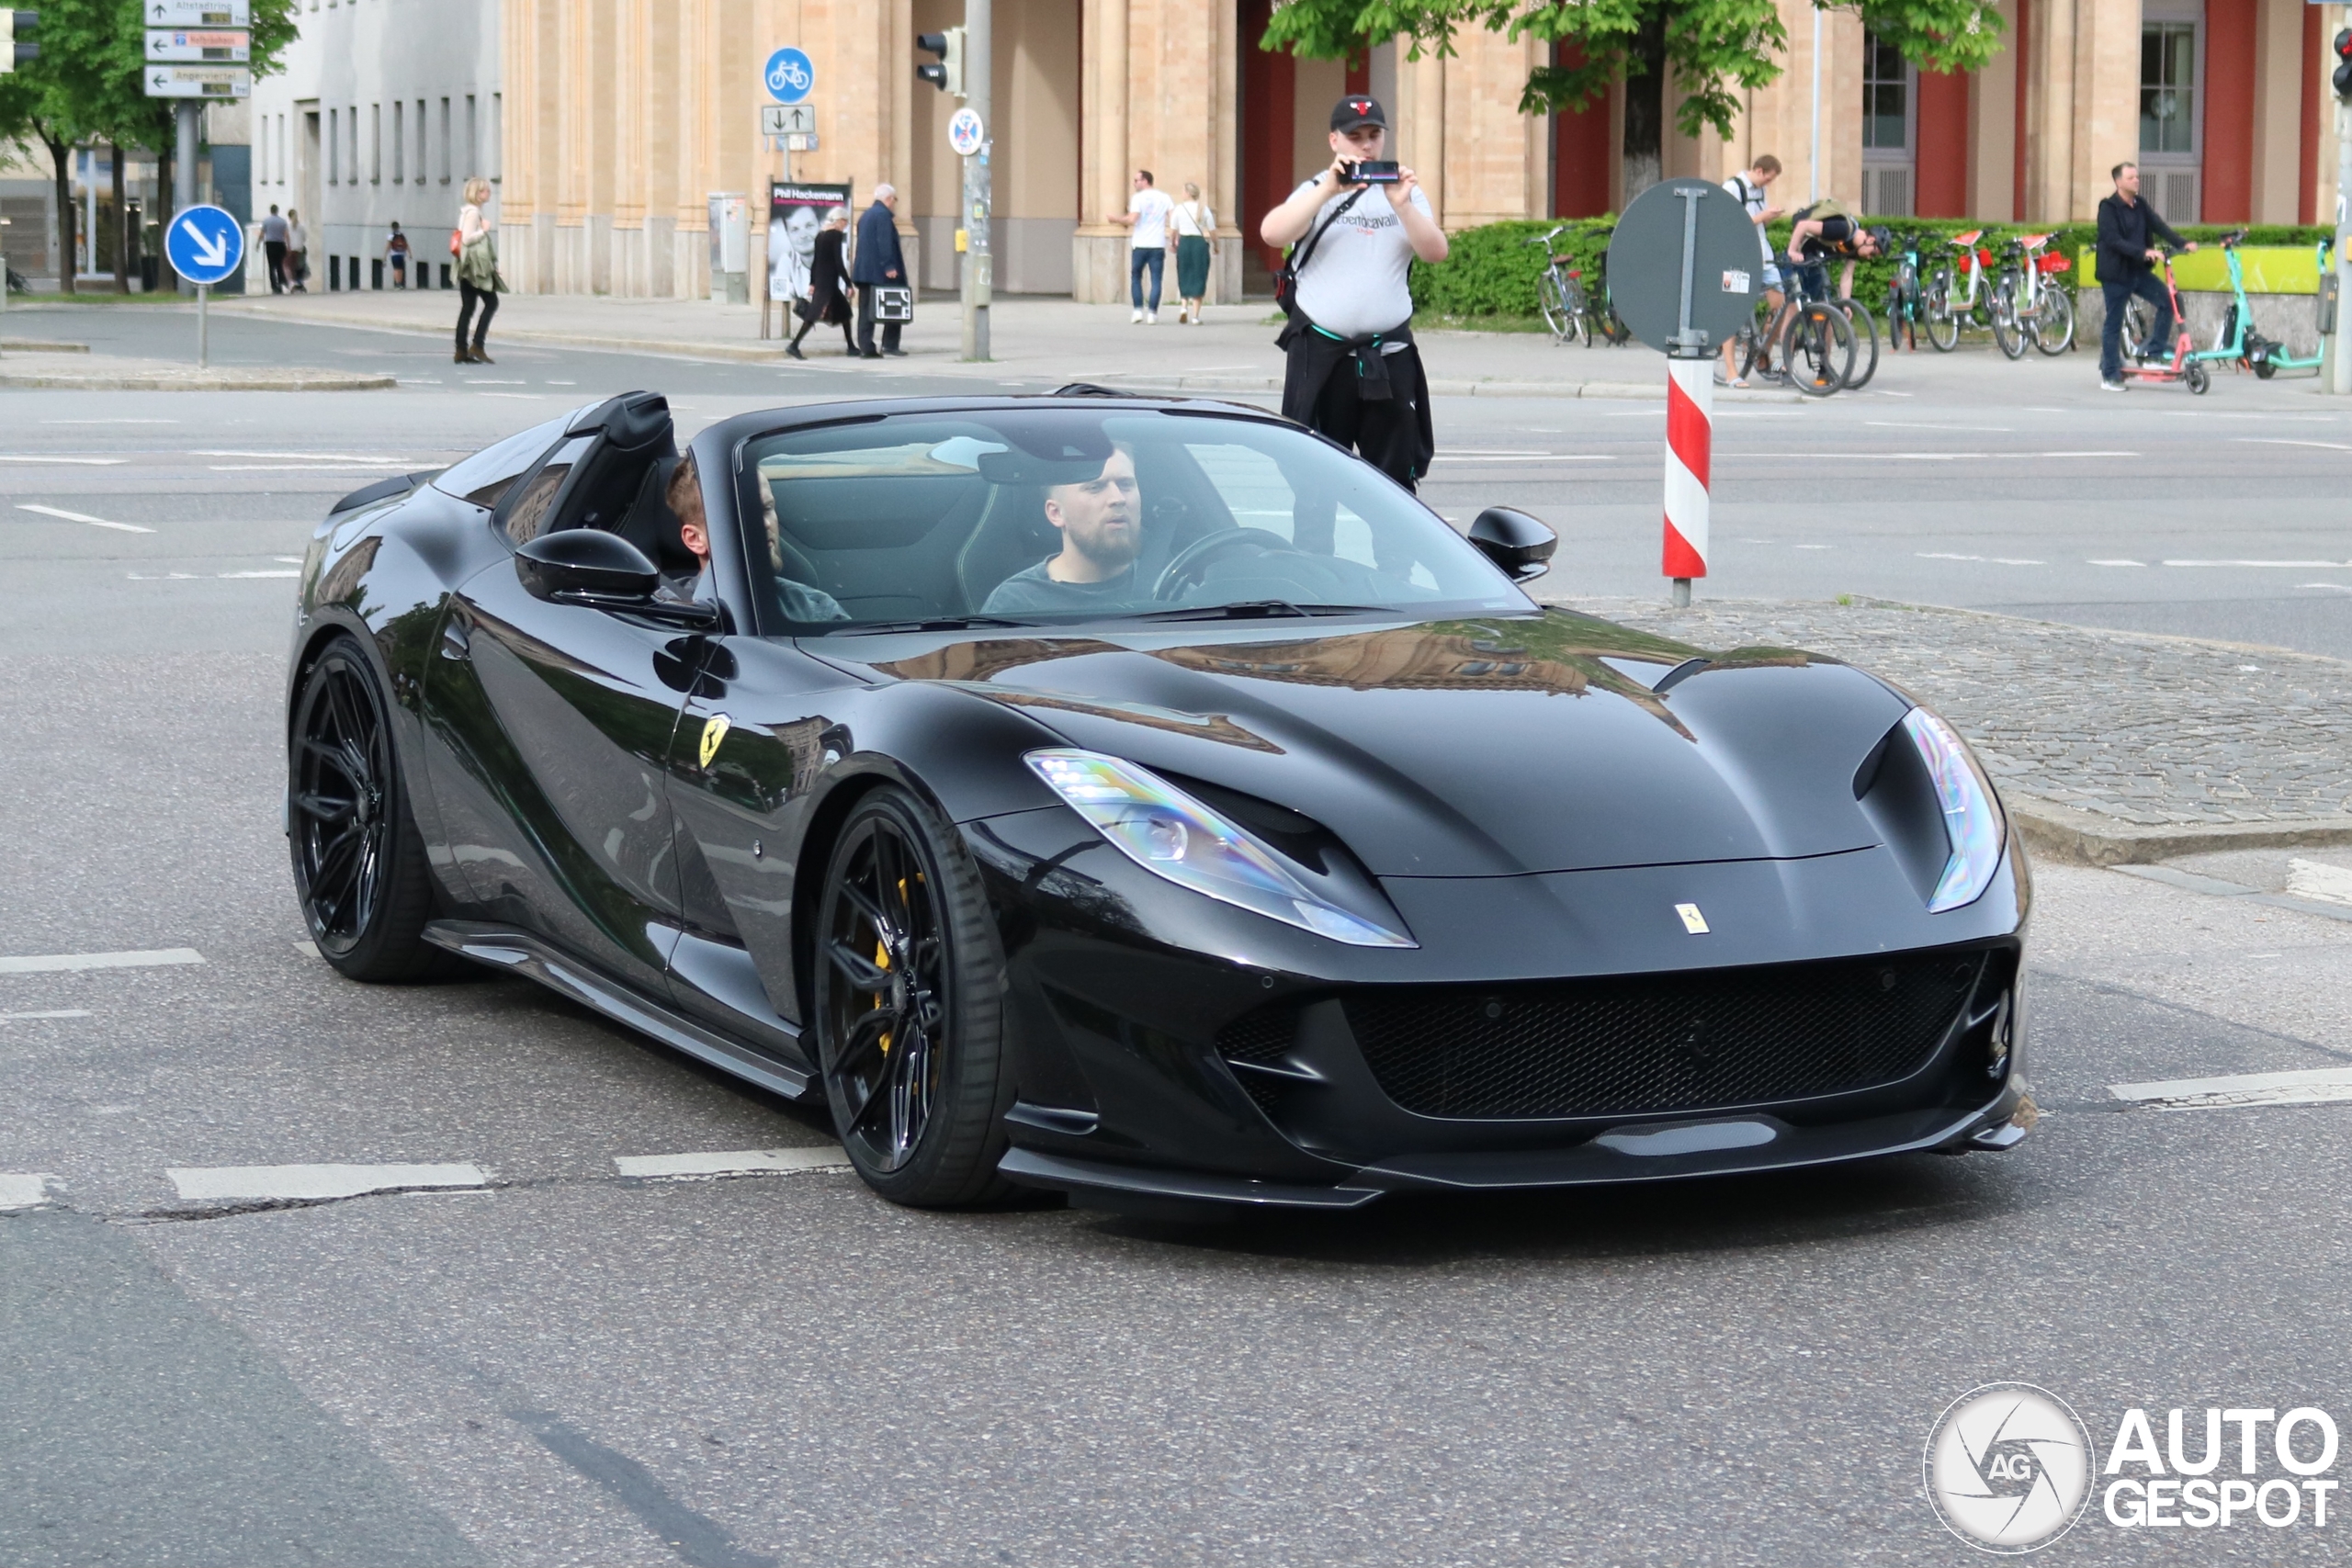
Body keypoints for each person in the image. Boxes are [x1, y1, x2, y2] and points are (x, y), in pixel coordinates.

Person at [1257, 95, 1447, 497]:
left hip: (1388, 357)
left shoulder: (1405, 194)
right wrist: (1328, 188)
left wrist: (1404, 206)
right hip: (1321, 357)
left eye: (1373, 135)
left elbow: (1435, 252)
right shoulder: (1315, 192)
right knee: (1314, 480)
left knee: (1395, 484)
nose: (1365, 145)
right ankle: (1314, 558)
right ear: (1334, 141)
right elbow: (1273, 233)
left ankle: (1392, 560)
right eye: (1355, 136)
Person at [981, 446, 1145, 615]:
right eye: (1095, 487)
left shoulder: (1167, 583)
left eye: (1125, 484)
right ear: (1056, 513)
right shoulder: (1016, 603)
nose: (1118, 498)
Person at [2097, 161, 2196, 391]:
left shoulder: (2140, 204)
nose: (2136, 180)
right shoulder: (2108, 208)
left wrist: (2183, 243)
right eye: (2131, 178)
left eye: (2136, 177)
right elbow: (2113, 240)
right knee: (2114, 323)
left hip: (2138, 271)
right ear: (2118, 182)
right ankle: (2109, 375)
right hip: (2115, 274)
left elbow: (2159, 226)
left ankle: (2153, 352)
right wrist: (2144, 252)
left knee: (2169, 301)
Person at [1718, 156, 1783, 388]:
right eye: (1768, 178)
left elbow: (1757, 224)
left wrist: (1768, 217)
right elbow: (1729, 223)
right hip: (1736, 257)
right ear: (1758, 170)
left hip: (1763, 255)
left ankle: (1762, 353)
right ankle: (1731, 372)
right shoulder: (1732, 188)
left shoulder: (1760, 191)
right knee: (1732, 312)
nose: (1769, 183)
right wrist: (1762, 217)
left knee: (1781, 304)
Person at [787, 207, 855, 360]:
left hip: (822, 280)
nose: (845, 226)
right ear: (839, 221)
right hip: (828, 282)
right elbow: (838, 262)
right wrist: (848, 283)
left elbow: (815, 261)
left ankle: (851, 346)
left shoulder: (821, 235)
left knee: (845, 312)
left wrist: (813, 282)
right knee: (813, 314)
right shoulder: (835, 235)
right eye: (845, 222)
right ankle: (794, 345)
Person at [1112, 170, 1175, 323]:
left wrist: (1116, 219)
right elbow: (1173, 218)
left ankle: (1138, 310)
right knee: (1156, 279)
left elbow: (1133, 219)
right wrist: (1174, 238)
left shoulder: (1138, 198)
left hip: (1140, 244)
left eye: (1136, 180)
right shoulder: (1164, 197)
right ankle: (1152, 313)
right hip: (1157, 244)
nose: (1134, 183)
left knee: (1136, 277)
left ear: (1145, 181)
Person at [852, 185, 908, 359]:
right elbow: (884, 243)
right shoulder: (883, 216)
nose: (894, 204)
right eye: (894, 200)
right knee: (894, 304)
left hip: (864, 271)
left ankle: (866, 346)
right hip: (881, 272)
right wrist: (889, 266)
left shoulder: (865, 215)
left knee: (866, 310)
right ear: (889, 199)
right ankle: (890, 345)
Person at [455, 177, 504, 365]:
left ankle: (461, 349)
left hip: (468, 265)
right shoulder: (473, 213)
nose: (488, 194)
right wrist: (483, 230)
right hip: (475, 268)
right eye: (485, 191)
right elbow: (467, 239)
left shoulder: (468, 211)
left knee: (468, 308)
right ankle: (477, 345)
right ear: (477, 193)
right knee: (491, 303)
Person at [1170, 181, 1216, 324]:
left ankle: (1184, 307)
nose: (1182, 194)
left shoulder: (1179, 209)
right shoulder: (1204, 209)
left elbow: (1173, 230)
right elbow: (1213, 231)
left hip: (1185, 243)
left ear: (1188, 193)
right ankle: (1195, 316)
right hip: (1199, 244)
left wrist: (1173, 243)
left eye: (1183, 191)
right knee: (1199, 275)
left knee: (1183, 273)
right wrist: (1216, 245)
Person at [768, 202, 820, 312]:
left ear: (820, 227)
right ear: (788, 235)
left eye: (809, 226)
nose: (803, 235)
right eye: (795, 230)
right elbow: (781, 292)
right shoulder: (786, 260)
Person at [260, 205, 289, 295]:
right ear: (277, 211)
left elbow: (262, 233)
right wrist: (288, 245)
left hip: (270, 244)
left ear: (271, 211)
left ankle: (274, 286)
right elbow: (286, 234)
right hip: (280, 244)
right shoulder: (283, 222)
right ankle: (281, 283)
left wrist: (258, 244)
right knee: (280, 265)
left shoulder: (266, 221)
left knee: (271, 266)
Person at [284, 209, 308, 292]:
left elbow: (286, 238)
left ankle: (292, 282)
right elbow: (304, 238)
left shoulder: (287, 226)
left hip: (291, 250)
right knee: (300, 266)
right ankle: (299, 281)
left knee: (289, 267)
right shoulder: (301, 227)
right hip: (300, 249)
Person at [387, 220, 411, 289]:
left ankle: (397, 283)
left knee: (396, 269)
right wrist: (410, 253)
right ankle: (400, 283)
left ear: (392, 227)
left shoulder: (391, 235)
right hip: (402, 254)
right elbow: (406, 244)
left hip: (394, 254)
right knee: (400, 269)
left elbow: (388, 245)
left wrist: (385, 255)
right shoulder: (402, 235)